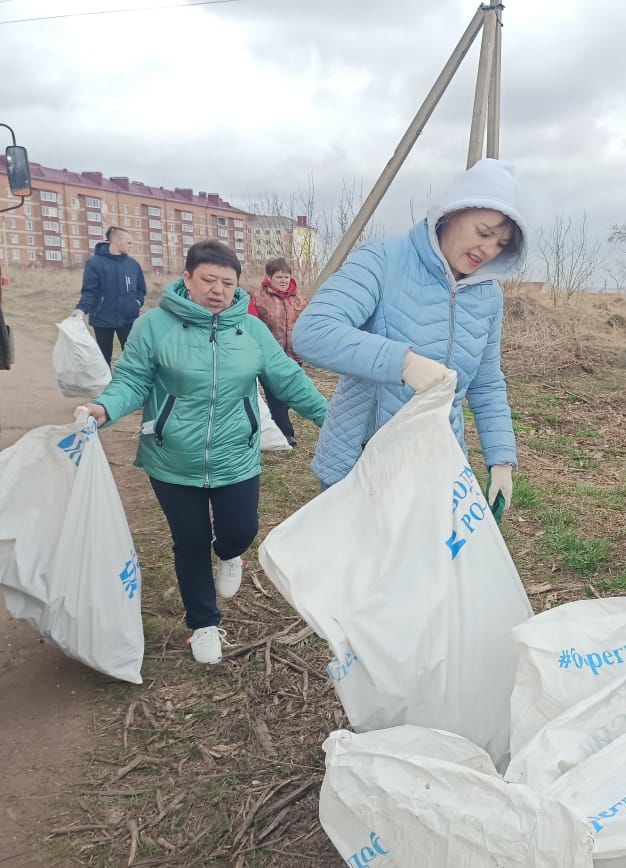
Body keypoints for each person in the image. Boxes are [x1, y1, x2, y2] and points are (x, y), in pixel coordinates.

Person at [82, 241, 328, 665]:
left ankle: (229, 553)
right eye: (208, 280)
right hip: (172, 457)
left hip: (236, 453)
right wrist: (104, 408)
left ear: (237, 286)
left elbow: (288, 379)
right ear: (187, 279)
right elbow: (133, 380)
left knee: (241, 529)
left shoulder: (249, 330)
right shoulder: (154, 327)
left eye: (227, 283)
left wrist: (332, 419)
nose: (218, 290)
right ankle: (203, 624)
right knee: (190, 541)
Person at [293, 158, 527, 518]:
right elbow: (314, 330)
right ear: (451, 213)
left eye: (500, 243)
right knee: (360, 572)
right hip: (362, 460)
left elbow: (487, 383)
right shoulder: (383, 260)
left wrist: (501, 459)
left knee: (422, 571)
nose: (489, 249)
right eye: (483, 232)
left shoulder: (488, 295)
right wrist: (402, 362)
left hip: (435, 463)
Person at [247, 257, 308, 446]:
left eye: (286, 276)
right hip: (269, 356)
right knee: (275, 395)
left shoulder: (300, 298)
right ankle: (286, 433)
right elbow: (251, 324)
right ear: (269, 277)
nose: (283, 280)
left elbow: (308, 322)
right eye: (279, 276)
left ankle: (280, 426)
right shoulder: (257, 297)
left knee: (289, 393)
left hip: (294, 354)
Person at [74, 226, 148, 366]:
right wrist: (81, 309)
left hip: (128, 319)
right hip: (102, 318)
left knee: (133, 356)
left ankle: (131, 385)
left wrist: (136, 303)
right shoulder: (94, 263)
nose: (131, 246)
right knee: (103, 358)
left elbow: (140, 290)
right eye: (129, 243)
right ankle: (106, 385)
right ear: (116, 240)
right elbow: (90, 291)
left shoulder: (133, 265)